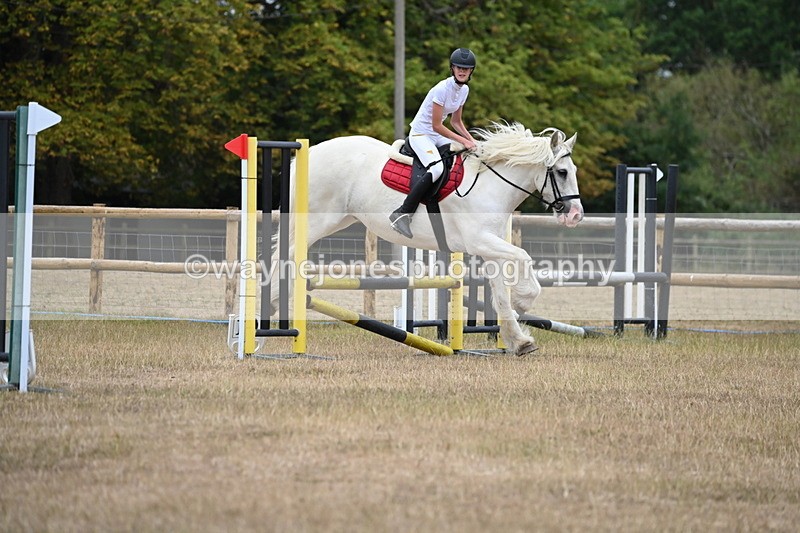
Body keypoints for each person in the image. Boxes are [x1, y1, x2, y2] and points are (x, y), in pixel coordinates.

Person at [389, 47, 478, 239]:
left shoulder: (464, 90)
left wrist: (471, 141)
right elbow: (437, 125)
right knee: (436, 169)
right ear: (452, 68)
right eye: (458, 67)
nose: (462, 71)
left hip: (436, 135)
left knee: (460, 155)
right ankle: (403, 213)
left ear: (471, 71)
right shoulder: (441, 89)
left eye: (466, 68)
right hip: (421, 134)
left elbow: (456, 122)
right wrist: (463, 140)